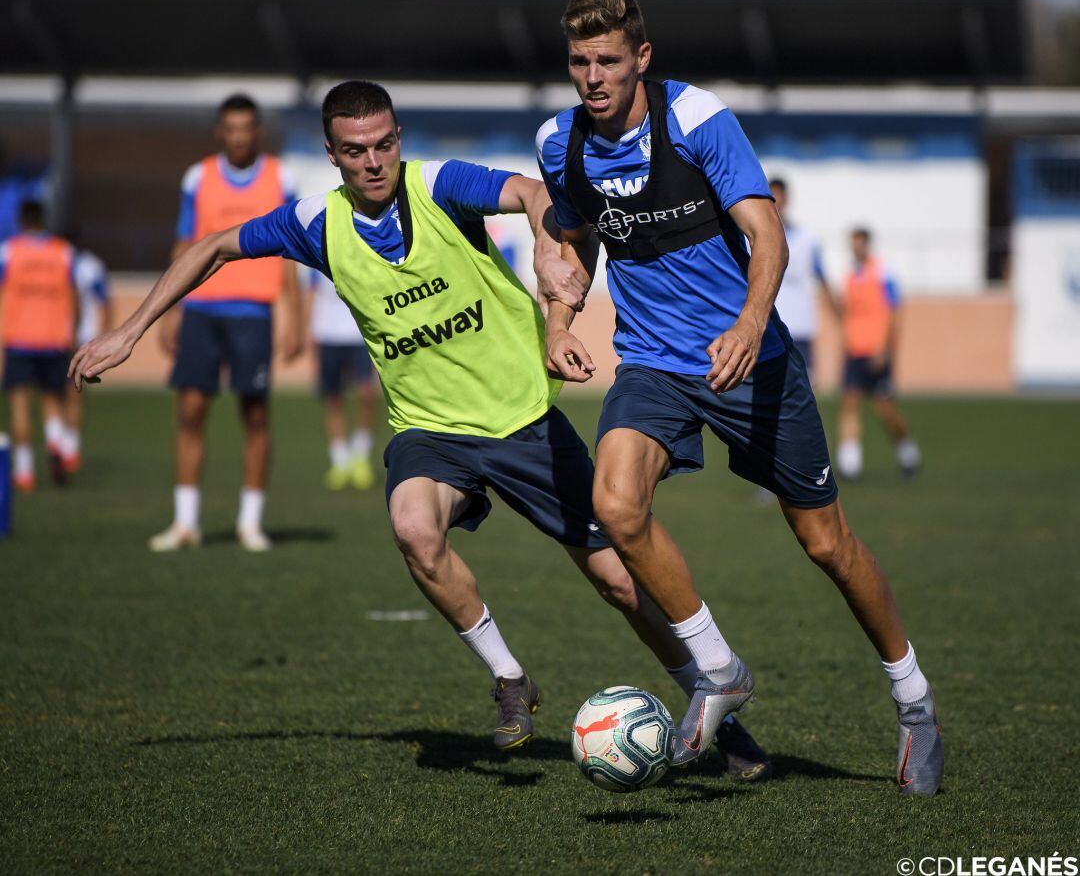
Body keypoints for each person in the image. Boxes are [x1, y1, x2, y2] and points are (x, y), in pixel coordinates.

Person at [70, 80, 771, 776]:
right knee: (413, 529)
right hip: (428, 432)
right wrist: (130, 331)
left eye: (384, 144)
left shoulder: (439, 185)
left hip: (522, 419)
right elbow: (214, 247)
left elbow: (535, 194)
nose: (373, 162)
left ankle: (720, 716)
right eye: (355, 151)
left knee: (621, 586)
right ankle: (510, 678)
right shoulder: (316, 223)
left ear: (398, 138)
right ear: (332, 154)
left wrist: (544, 248)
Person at [535, 0, 942, 795]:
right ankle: (719, 668)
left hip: (752, 362)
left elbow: (767, 233)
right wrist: (557, 321)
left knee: (827, 545)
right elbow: (572, 239)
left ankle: (915, 702)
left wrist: (752, 324)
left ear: (641, 57)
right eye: (579, 62)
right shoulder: (559, 143)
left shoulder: (696, 119)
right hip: (654, 363)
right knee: (615, 506)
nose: (593, 77)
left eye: (608, 60)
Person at [152, 94, 302, 553]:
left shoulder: (281, 177)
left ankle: (250, 523)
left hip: (252, 313)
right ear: (220, 132)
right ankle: (185, 523)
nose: (238, 137)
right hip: (201, 309)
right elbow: (185, 245)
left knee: (255, 415)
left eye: (245, 128)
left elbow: (292, 250)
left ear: (257, 132)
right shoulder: (198, 177)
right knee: (190, 412)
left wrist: (295, 315)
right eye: (230, 129)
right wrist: (170, 309)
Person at [0, 200, 79, 490]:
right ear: (44, 220)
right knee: (52, 399)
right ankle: (55, 442)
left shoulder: (9, 251)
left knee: (19, 404)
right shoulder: (63, 251)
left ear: (21, 221)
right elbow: (73, 295)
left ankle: (24, 472)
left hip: (19, 337)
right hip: (54, 337)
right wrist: (72, 330)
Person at [833, 227, 921, 481]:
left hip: (877, 350)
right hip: (854, 350)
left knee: (884, 408)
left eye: (859, 244)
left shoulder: (883, 272)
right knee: (849, 402)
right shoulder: (849, 276)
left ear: (867, 244)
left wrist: (886, 347)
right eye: (853, 244)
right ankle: (850, 463)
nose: (856, 249)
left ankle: (907, 452)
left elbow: (894, 311)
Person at [305, 267, 379, 491]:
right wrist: (310, 336)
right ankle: (340, 460)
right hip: (327, 334)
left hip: (359, 333)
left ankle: (361, 454)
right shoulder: (315, 251)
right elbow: (312, 293)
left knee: (366, 393)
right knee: (333, 398)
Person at [63, 242, 113, 473]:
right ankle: (69, 448)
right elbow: (106, 304)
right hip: (78, 338)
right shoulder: (90, 266)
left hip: (64, 337)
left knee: (59, 394)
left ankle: (64, 445)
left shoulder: (83, 264)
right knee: (73, 394)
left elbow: (104, 304)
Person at [769, 177, 828, 375]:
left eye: (779, 195)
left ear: (787, 198)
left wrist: (839, 317)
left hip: (801, 325)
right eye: (772, 196)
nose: (776, 201)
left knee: (805, 380)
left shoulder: (807, 237)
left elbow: (821, 276)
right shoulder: (752, 237)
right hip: (769, 323)